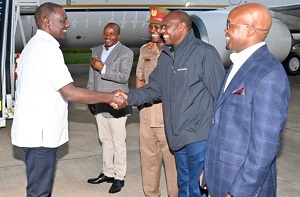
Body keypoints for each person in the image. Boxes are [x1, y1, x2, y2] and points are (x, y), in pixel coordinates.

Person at [10, 3, 127, 197]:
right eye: (63, 20)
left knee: (37, 188)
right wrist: (110, 97)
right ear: (47, 22)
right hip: (40, 135)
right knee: (39, 192)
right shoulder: (47, 49)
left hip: (33, 130)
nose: (68, 24)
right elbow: (70, 92)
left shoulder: (33, 45)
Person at [120, 10, 225, 197]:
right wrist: (128, 98)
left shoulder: (204, 53)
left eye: (166, 27)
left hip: (198, 136)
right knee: (182, 185)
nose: (162, 31)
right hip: (176, 135)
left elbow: (220, 96)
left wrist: (220, 139)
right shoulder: (167, 56)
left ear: (182, 27)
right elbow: (155, 88)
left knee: (197, 188)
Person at [201, 3, 291, 197]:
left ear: (250, 30)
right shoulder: (237, 64)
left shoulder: (269, 74)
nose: (225, 29)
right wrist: (209, 171)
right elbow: (221, 125)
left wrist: (239, 192)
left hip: (242, 185)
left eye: (230, 25)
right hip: (220, 175)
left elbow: (265, 146)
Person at [86, 23, 133, 194]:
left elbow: (123, 77)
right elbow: (92, 76)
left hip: (117, 104)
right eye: (105, 33)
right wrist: (90, 97)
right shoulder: (96, 50)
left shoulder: (126, 52)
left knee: (118, 143)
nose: (107, 36)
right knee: (105, 140)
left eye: (112, 34)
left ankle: (119, 177)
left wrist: (103, 68)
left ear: (118, 36)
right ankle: (108, 173)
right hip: (99, 103)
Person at [136, 7, 178, 197]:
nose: (152, 30)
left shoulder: (176, 52)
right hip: (147, 116)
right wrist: (139, 103)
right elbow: (140, 79)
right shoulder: (145, 50)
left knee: (173, 166)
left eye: (157, 26)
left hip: (169, 117)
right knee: (149, 163)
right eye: (151, 26)